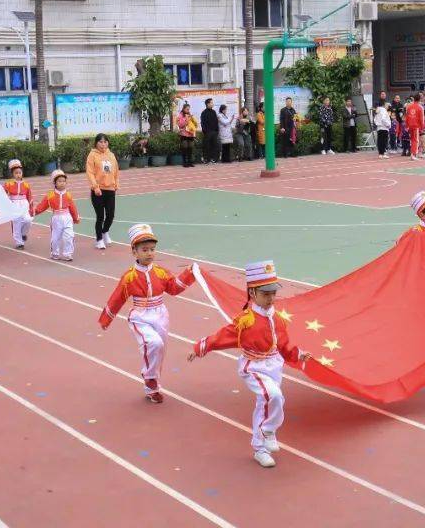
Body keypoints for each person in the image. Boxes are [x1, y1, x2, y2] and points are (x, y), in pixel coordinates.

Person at [187, 260, 309, 468]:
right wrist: (200, 348)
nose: (271, 298)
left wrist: (298, 354)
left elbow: (284, 345)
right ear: (252, 293)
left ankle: (260, 448)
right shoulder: (246, 320)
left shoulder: (277, 319)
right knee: (273, 395)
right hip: (253, 366)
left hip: (273, 366)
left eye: (273, 293)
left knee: (266, 403)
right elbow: (223, 337)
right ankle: (268, 430)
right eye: (265, 294)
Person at [99, 224, 196, 403]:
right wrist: (106, 318)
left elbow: (174, 288)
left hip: (160, 314)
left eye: (152, 249)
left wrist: (190, 273)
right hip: (140, 316)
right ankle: (149, 377)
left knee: (160, 349)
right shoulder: (129, 276)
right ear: (134, 252)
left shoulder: (161, 272)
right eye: (144, 250)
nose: (149, 253)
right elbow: (117, 297)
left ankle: (152, 388)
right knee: (153, 343)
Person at [31, 169, 81, 261]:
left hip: (67, 217)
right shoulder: (50, 195)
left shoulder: (68, 195)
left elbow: (72, 207)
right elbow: (42, 206)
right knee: (55, 238)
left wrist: (75, 217)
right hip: (56, 219)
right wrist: (34, 211)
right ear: (54, 182)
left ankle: (67, 254)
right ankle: (55, 253)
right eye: (59, 181)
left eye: (64, 181)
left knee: (69, 236)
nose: (62, 183)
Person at [85, 133, 119, 250]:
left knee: (110, 215)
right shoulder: (92, 155)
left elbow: (116, 171)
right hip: (98, 191)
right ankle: (99, 239)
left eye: (105, 142)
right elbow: (90, 172)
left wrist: (116, 184)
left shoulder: (111, 155)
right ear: (96, 143)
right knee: (100, 216)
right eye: (100, 142)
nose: (103, 144)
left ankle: (105, 232)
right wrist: (95, 187)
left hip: (110, 189)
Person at [3, 159, 34, 249]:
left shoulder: (26, 185)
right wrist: (7, 203)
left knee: (28, 220)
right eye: (16, 173)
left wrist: (31, 208)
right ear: (12, 174)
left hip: (24, 204)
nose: (18, 174)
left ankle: (23, 234)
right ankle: (19, 243)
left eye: (20, 172)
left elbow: (30, 197)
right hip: (14, 204)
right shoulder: (8, 184)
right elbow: (3, 194)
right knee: (16, 223)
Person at [405, 94, 425, 160]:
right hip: (416, 126)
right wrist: (422, 127)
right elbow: (421, 119)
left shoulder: (409, 107)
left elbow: (407, 117)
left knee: (412, 140)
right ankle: (413, 154)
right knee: (415, 140)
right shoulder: (420, 107)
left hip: (410, 125)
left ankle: (412, 154)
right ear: (420, 99)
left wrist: (407, 126)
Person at [176, 103, 197, 168]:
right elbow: (180, 125)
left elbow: (194, 123)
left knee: (190, 147)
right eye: (187, 109)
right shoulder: (180, 115)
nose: (188, 110)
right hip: (183, 134)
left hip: (190, 133)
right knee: (185, 148)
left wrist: (192, 119)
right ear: (184, 109)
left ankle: (190, 162)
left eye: (189, 109)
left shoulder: (189, 115)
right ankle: (185, 162)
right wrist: (186, 120)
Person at [200, 98, 219, 164]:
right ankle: (206, 159)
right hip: (207, 132)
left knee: (214, 145)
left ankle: (214, 159)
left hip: (214, 132)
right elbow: (202, 123)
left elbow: (216, 122)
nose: (212, 104)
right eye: (211, 103)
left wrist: (217, 130)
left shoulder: (214, 112)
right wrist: (205, 131)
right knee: (207, 146)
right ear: (207, 104)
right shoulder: (204, 113)